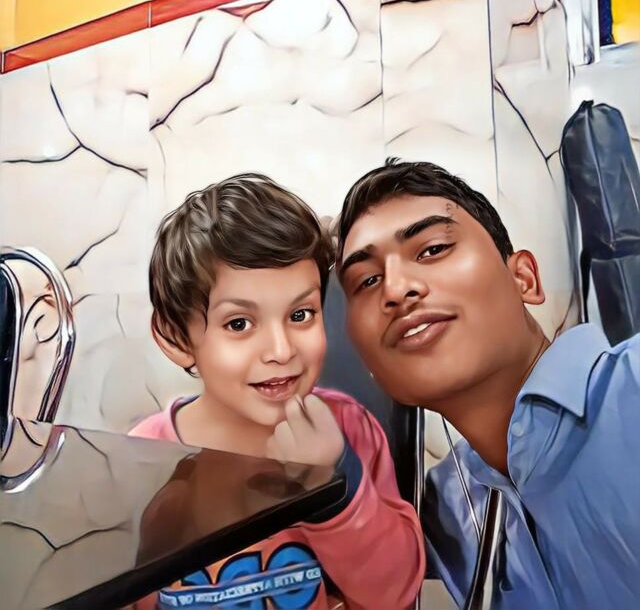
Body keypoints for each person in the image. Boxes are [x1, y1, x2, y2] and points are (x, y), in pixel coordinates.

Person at [336, 159, 640, 610]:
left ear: (524, 278)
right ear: (368, 363)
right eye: (367, 280)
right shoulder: (440, 512)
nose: (395, 290)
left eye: (432, 249)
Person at [130, 173, 425, 609]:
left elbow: (396, 592)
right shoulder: (139, 460)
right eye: (239, 324)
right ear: (176, 337)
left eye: (301, 314)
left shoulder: (350, 431)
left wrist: (334, 482)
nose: (282, 351)